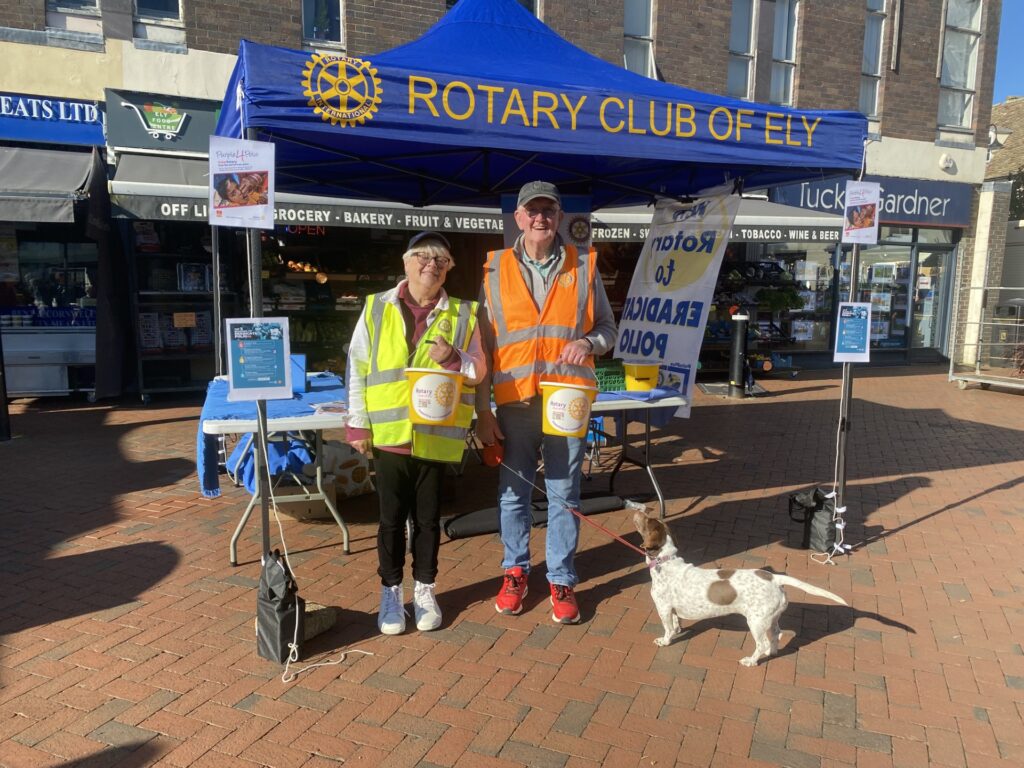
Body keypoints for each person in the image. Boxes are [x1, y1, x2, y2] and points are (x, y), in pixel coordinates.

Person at [474, 181, 617, 624]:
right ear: (517, 218)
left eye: (548, 211)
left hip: (566, 401)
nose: (540, 218)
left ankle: (561, 578)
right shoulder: (494, 270)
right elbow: (483, 347)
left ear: (558, 217)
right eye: (531, 210)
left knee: (564, 494)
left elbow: (609, 331)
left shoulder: (584, 265)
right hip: (514, 403)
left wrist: (589, 343)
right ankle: (515, 571)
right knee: (513, 494)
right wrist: (482, 411)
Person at [346, 231, 486, 635]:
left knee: (427, 520)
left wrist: (455, 357)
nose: (431, 264)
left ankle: (424, 589)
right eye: (423, 257)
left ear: (449, 270)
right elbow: (357, 366)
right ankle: (390, 591)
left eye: (441, 260)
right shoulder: (376, 307)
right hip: (390, 435)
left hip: (435, 435)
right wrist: (358, 422)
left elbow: (478, 372)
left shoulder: (464, 313)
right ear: (406, 263)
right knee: (390, 520)